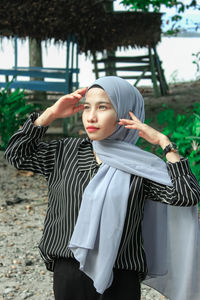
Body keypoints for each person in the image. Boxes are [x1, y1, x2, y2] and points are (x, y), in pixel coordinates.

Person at [5, 76, 200, 300]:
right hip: (69, 271)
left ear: (126, 114)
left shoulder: (140, 166)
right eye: (87, 107)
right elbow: (17, 155)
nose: (91, 116)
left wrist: (165, 144)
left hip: (121, 277)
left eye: (103, 107)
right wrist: (50, 114)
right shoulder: (65, 152)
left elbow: (186, 195)